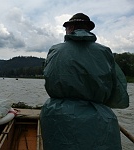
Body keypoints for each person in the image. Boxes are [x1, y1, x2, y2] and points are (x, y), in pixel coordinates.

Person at [40, 13, 129, 150]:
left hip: (57, 115)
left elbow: (49, 79)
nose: (65, 31)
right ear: (88, 29)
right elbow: (116, 89)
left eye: (66, 28)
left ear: (72, 27)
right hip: (100, 118)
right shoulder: (105, 51)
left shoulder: (55, 50)